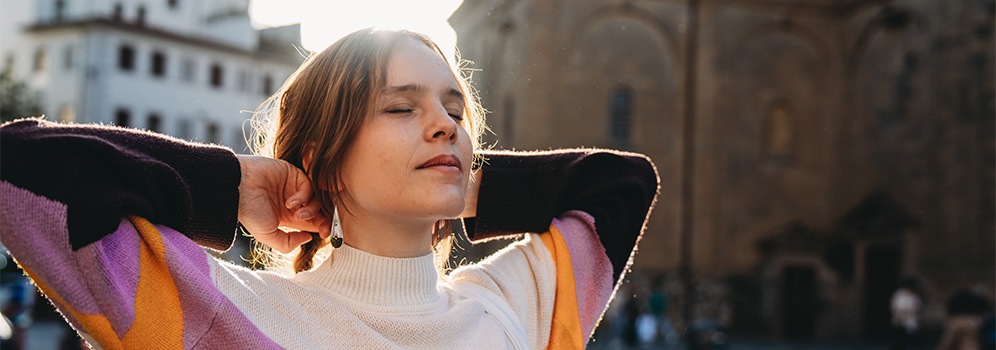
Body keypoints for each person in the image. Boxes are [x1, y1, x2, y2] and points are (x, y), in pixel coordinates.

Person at [0, 28, 659, 349]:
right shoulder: (228, 316)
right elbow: (19, 166)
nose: (444, 125)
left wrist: (466, 185)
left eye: (455, 110)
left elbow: (622, 185)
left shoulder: (513, 309)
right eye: (400, 107)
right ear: (325, 160)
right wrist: (234, 186)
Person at [892, 277, 924, 350]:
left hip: (911, 324)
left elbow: (917, 309)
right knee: (899, 343)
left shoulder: (916, 297)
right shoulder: (900, 295)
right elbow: (895, 308)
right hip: (899, 323)